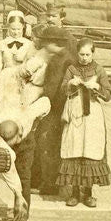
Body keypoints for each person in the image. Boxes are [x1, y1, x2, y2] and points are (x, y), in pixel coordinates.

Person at [57, 38, 111, 207]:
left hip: (92, 114)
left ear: (93, 54)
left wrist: (97, 87)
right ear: (77, 53)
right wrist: (70, 84)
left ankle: (88, 193)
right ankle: (74, 193)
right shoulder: (71, 69)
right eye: (81, 54)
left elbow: (108, 95)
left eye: (88, 54)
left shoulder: (99, 69)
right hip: (75, 112)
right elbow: (62, 89)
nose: (84, 58)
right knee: (74, 148)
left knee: (90, 149)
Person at [29, 25, 76, 195]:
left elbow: (54, 87)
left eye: (46, 42)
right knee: (50, 144)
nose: (43, 45)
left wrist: (42, 101)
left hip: (55, 107)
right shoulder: (63, 57)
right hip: (57, 106)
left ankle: (49, 184)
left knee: (47, 144)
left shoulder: (60, 60)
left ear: (53, 43)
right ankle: (46, 181)